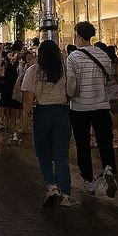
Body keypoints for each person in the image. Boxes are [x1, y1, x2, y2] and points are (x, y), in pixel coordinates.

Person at [66, 21, 118, 197]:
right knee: (104, 139)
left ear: (78, 35)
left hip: (80, 107)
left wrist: (70, 95)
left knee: (82, 143)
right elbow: (109, 79)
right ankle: (108, 168)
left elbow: (71, 85)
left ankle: (88, 181)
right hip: (101, 105)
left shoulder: (73, 57)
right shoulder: (103, 55)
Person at [22, 39, 75, 207]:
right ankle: (65, 193)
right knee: (61, 154)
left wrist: (26, 116)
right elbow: (72, 92)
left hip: (43, 113)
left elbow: (28, 98)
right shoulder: (64, 70)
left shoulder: (34, 71)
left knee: (43, 153)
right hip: (61, 112)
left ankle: (51, 186)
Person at [96, 43, 118, 148]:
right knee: (117, 114)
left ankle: (113, 136)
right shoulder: (117, 61)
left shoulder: (107, 62)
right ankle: (116, 137)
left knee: (111, 115)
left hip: (109, 93)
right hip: (116, 93)